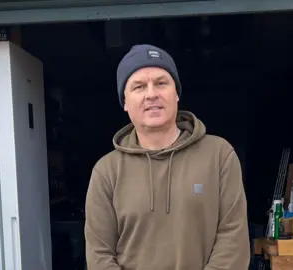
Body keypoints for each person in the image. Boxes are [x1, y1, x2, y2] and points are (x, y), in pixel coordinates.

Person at [84, 44, 250, 270]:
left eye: (161, 83)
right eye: (139, 87)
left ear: (177, 93)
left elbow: (233, 240)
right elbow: (99, 255)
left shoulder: (219, 155)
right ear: (124, 102)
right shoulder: (107, 171)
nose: (151, 94)